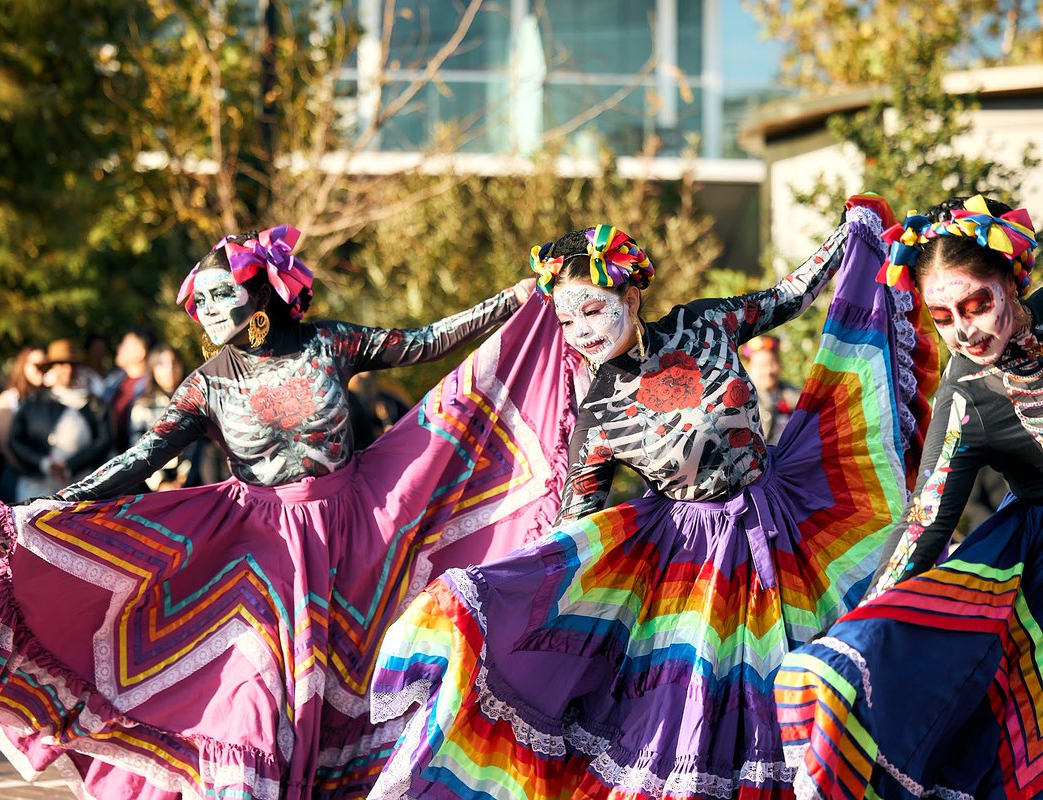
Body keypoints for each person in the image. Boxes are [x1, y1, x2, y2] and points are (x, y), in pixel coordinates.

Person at [0, 225, 581, 800]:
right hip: (257, 552)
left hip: (359, 536)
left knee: (346, 683)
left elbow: (426, 342)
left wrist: (512, 300)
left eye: (222, 294)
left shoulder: (329, 344)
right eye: (201, 303)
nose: (209, 310)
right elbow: (140, 460)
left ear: (262, 291)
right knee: (256, 695)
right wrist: (57, 504)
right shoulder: (207, 384)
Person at [367, 202, 939, 799]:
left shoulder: (706, 325)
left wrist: (850, 235)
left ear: (631, 296)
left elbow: (791, 295)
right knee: (715, 721)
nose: (582, 331)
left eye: (591, 309)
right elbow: (574, 529)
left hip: (789, 523)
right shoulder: (598, 417)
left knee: (825, 673)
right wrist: (496, 594)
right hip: (698, 571)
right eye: (567, 321)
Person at [775, 195, 1043, 799]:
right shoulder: (965, 395)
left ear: (1011, 280)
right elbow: (923, 526)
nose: (964, 331)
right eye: (943, 317)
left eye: (976, 304)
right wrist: (850, 635)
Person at [9, 339, 113, 500]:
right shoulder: (34, 402)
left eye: (73, 365)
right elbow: (16, 441)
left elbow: (104, 440)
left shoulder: (93, 403)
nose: (68, 370)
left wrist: (72, 465)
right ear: (51, 368)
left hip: (80, 484)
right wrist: (43, 463)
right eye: (62, 365)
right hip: (37, 484)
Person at [127, 343, 192, 491]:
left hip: (191, 476)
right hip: (152, 479)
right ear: (153, 369)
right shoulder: (143, 406)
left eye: (174, 363)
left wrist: (183, 477)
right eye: (162, 364)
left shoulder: (193, 401)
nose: (170, 369)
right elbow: (138, 449)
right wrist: (160, 483)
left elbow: (199, 443)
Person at [0, 344, 47, 501]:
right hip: (17, 474)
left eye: (45, 366)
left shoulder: (49, 398)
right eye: (36, 365)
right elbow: (5, 447)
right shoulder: (8, 400)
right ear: (23, 366)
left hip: (46, 475)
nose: (41, 370)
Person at [741, 334, 801, 442]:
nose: (768, 371)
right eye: (762, 365)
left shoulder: (794, 394)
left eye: (772, 363)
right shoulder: (744, 400)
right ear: (747, 367)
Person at [103, 327, 154, 454]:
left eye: (125, 345)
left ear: (140, 353)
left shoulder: (151, 387)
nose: (119, 348)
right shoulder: (113, 382)